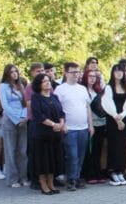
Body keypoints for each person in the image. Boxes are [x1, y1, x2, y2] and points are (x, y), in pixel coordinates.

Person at [54, 62, 93, 191]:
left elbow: (87, 108)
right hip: (69, 128)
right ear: (66, 73)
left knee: (81, 155)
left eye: (78, 72)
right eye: (73, 72)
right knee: (72, 155)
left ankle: (76, 177)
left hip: (83, 128)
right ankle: (71, 179)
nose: (76, 75)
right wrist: (62, 124)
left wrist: (90, 125)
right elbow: (57, 109)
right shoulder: (60, 89)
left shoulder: (82, 89)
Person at [30, 73, 65, 195]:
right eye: (44, 81)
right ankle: (43, 184)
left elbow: (61, 113)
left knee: (53, 159)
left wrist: (61, 123)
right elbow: (39, 116)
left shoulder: (54, 97)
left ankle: (51, 183)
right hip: (41, 135)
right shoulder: (36, 98)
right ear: (39, 85)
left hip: (55, 135)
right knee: (43, 160)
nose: (47, 83)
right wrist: (53, 125)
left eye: (48, 80)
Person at [0, 64, 29, 188]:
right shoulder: (3, 86)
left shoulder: (21, 86)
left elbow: (26, 104)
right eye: (12, 72)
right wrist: (17, 119)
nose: (14, 74)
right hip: (9, 120)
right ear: (7, 74)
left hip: (22, 120)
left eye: (16, 71)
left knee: (22, 151)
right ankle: (12, 179)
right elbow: (5, 106)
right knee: (10, 150)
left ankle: (23, 177)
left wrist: (24, 117)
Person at [101, 64, 126, 185]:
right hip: (112, 119)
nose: (119, 73)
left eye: (121, 71)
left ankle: (120, 170)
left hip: (123, 118)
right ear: (112, 73)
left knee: (122, 145)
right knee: (113, 145)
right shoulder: (109, 87)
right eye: (116, 71)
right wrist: (116, 117)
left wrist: (122, 115)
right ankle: (112, 171)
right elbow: (107, 103)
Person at [81, 66, 107, 184]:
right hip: (89, 124)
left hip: (101, 123)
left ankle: (98, 171)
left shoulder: (98, 90)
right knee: (89, 150)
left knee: (98, 149)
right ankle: (89, 173)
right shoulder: (82, 90)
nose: (92, 79)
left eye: (94, 77)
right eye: (90, 76)